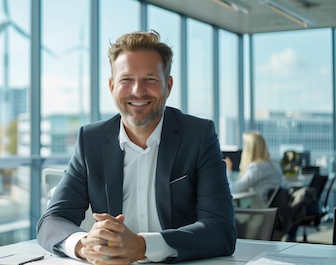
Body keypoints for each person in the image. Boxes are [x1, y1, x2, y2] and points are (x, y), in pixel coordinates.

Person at [36, 30, 236, 264]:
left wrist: (143, 246)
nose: (138, 91)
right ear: (112, 86)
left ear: (168, 86)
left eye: (150, 79)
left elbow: (221, 230)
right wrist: (83, 245)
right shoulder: (91, 140)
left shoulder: (198, 136)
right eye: (126, 80)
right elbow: (51, 221)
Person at [226, 131, 283, 208]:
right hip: (273, 211)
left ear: (249, 149)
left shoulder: (257, 168)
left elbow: (233, 189)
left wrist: (228, 170)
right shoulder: (275, 164)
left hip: (260, 213)